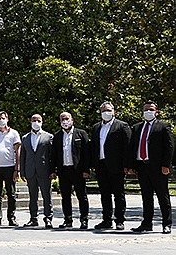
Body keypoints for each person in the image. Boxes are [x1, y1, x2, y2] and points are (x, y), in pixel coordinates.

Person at [128, 100, 174, 234]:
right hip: (142, 166)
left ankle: (167, 223)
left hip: (158, 167)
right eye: (146, 109)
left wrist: (166, 165)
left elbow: (169, 147)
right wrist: (131, 165)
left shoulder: (163, 126)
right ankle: (147, 223)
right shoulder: (137, 127)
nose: (148, 111)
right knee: (146, 197)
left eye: (151, 109)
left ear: (156, 111)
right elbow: (133, 147)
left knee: (162, 196)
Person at [90, 101, 131, 230]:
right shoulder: (96, 127)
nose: (106, 113)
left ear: (114, 111)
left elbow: (128, 147)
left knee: (118, 194)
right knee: (104, 194)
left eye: (108, 110)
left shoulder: (122, 126)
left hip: (116, 166)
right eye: (103, 111)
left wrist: (127, 165)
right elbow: (94, 147)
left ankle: (120, 220)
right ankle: (106, 220)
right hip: (101, 165)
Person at [51, 111, 90, 229]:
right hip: (64, 171)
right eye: (62, 119)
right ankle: (67, 219)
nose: (65, 121)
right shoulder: (57, 136)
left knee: (81, 196)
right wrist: (53, 170)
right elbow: (54, 155)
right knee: (65, 197)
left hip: (78, 170)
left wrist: (86, 170)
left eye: (67, 118)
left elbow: (86, 153)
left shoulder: (81, 134)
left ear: (72, 120)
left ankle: (84, 219)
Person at [20, 114, 54, 228]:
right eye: (34, 120)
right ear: (30, 122)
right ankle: (33, 218)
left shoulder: (48, 137)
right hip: (30, 171)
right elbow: (23, 156)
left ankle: (48, 218)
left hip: (44, 171)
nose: (36, 122)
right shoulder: (25, 138)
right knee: (32, 196)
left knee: (46, 196)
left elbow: (51, 156)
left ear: (42, 122)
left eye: (38, 120)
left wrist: (52, 171)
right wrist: (22, 171)